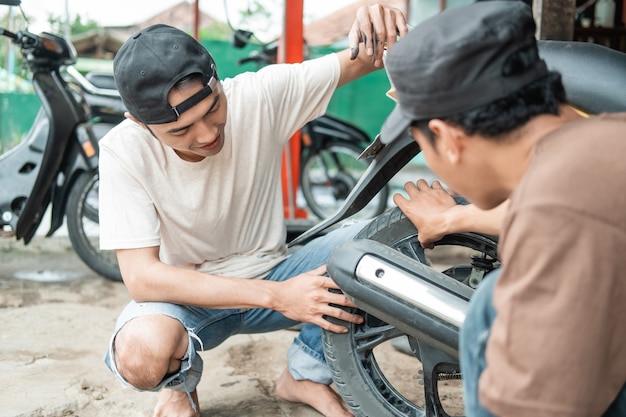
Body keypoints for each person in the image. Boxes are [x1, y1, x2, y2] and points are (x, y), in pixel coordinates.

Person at [98, 5, 408, 417]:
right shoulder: (124, 150)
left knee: (385, 239)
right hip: (190, 297)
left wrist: (381, 20)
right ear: (140, 124)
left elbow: (375, 52)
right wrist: (278, 297)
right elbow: (142, 278)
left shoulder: (260, 94)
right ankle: (178, 388)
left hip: (276, 268)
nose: (207, 134)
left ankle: (304, 374)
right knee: (142, 355)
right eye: (181, 130)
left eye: (212, 109)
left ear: (218, 82)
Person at [379, 1, 626, 416]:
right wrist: (453, 217)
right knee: (495, 297)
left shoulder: (560, 207)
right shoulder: (603, 142)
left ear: (447, 138)